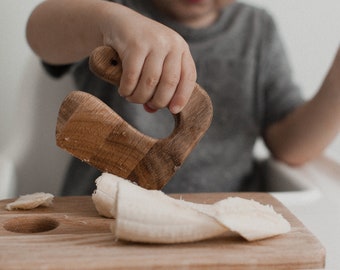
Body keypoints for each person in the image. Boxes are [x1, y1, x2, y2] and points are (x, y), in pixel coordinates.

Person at [26, 0, 340, 195]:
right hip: (101, 219)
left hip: (223, 218)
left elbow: (292, 147)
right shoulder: (114, 10)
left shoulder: (258, 30)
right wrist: (110, 20)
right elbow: (39, 30)